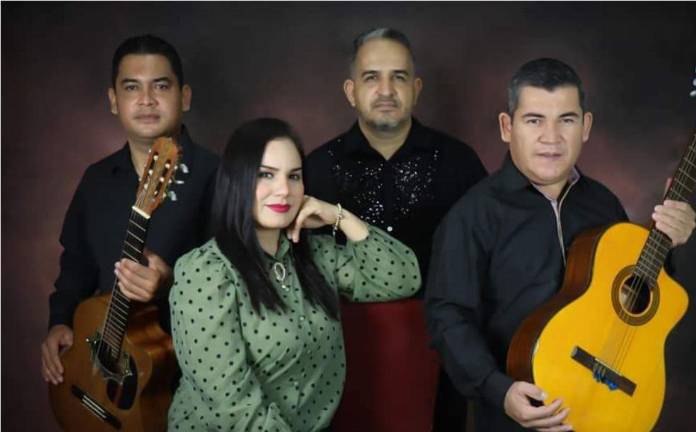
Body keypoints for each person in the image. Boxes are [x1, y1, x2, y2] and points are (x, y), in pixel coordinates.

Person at [424, 58, 696, 432]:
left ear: (586, 126)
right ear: (507, 127)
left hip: (608, 409)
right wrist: (498, 389)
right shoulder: (471, 215)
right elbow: (447, 317)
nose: (551, 137)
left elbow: (637, 296)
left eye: (566, 120)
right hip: (517, 418)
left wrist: (667, 241)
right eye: (534, 120)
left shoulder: (604, 204)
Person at [167, 118, 422, 431]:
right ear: (237, 180)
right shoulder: (205, 272)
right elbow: (233, 409)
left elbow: (404, 277)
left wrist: (337, 216)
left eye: (294, 176)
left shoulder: (316, 256)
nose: (284, 190)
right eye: (266, 175)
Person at [304, 27, 486, 432]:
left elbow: (485, 263)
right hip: (341, 360)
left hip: (442, 357)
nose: (386, 90)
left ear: (416, 88)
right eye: (372, 77)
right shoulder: (315, 169)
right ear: (351, 91)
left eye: (398, 77)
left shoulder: (460, 163)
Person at [41, 34, 219, 385]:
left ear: (184, 97)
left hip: (191, 373)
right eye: (132, 87)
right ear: (114, 101)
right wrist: (59, 322)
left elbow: (241, 279)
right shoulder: (95, 179)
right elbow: (76, 266)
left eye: (161, 86)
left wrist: (173, 284)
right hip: (109, 377)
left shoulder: (220, 176)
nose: (146, 100)